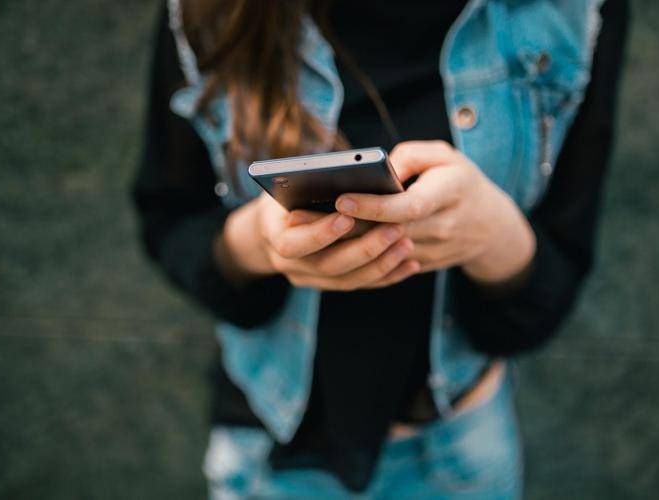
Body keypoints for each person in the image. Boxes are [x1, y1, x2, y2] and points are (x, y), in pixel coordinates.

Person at [133, 0, 628, 498]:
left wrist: (492, 234)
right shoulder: (209, 9)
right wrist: (259, 242)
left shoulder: (575, 11)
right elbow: (170, 221)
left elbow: (552, 285)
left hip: (460, 451)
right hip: (271, 447)